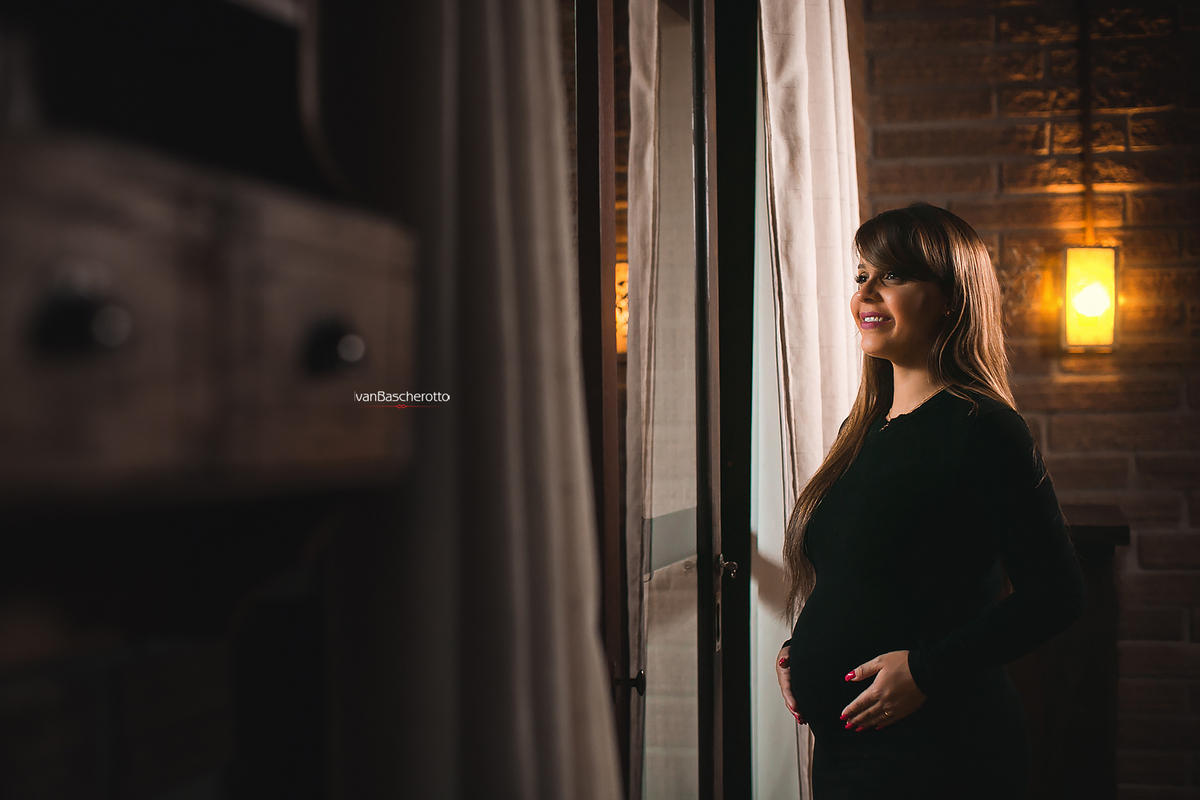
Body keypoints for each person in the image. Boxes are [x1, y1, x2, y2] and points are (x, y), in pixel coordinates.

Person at [773, 202, 1086, 799]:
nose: (866, 293)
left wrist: (924, 671)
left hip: (940, 753)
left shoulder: (983, 428)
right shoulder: (861, 430)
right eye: (862, 275)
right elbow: (861, 579)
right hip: (847, 753)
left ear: (950, 298)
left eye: (892, 275)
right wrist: (803, 651)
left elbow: (1057, 595)